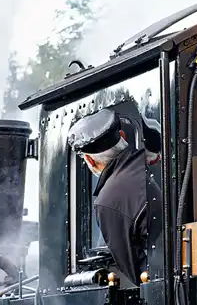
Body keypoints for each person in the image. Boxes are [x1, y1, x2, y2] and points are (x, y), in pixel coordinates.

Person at [67, 108, 161, 285]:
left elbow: (138, 273)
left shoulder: (107, 201)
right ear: (123, 136)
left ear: (90, 160)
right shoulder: (146, 164)